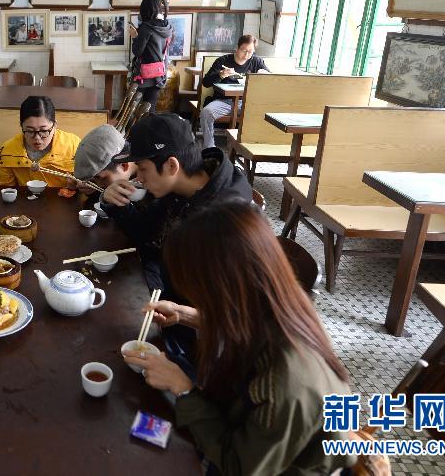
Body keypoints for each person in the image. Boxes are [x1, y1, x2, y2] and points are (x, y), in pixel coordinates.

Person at [124, 202, 355, 475]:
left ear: (224, 286)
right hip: (251, 427)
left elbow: (239, 467)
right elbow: (247, 325)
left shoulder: (286, 382)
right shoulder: (281, 304)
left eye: (195, 291)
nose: (192, 296)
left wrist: (184, 389)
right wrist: (185, 314)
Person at [101, 112, 251, 375]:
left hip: (205, 345)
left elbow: (233, 317)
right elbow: (145, 232)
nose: (139, 179)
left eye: (143, 169)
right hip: (170, 306)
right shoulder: (183, 188)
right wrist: (115, 205)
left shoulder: (223, 221)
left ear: (171, 165)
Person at [200, 34, 270, 148]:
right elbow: (206, 82)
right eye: (244, 51)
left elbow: (270, 79)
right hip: (224, 101)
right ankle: (209, 147)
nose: (247, 55)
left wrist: (264, 74)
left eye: (250, 51)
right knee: (206, 113)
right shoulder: (222, 61)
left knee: (266, 113)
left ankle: (251, 146)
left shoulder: (257, 61)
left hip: (247, 103)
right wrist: (221, 75)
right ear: (237, 48)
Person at [0, 95, 80, 188]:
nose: (37, 138)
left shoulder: (74, 146)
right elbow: (5, 189)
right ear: (21, 126)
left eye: (43, 131)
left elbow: (89, 184)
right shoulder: (8, 151)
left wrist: (79, 187)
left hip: (63, 199)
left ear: (55, 125)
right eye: (30, 131)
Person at [128, 0, 173, 107]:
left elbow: (137, 51)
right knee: (149, 108)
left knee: (133, 108)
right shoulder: (168, 27)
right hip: (159, 74)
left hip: (143, 76)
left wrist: (134, 36)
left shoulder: (146, 28)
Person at [73, 124, 137, 193]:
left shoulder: (146, 184)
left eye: (100, 178)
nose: (99, 185)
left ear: (124, 165)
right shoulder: (116, 176)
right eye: (96, 178)